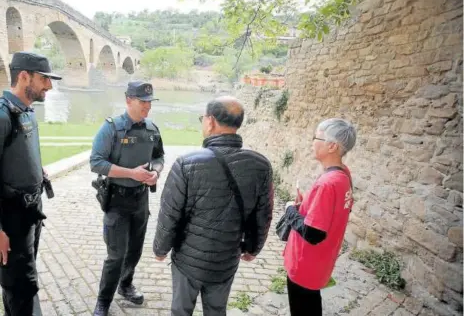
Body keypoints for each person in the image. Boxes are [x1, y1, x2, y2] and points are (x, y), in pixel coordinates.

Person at [153, 96, 274, 316]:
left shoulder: (186, 163)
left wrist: (161, 248)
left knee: (181, 310)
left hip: (187, 259)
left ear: (210, 122)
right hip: (226, 259)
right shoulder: (261, 165)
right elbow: (263, 214)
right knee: (217, 310)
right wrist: (253, 248)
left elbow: (170, 213)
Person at [0, 51, 62, 315]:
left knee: (24, 280)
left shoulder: (26, 112)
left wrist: (34, 170)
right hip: (10, 220)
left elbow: (17, 155)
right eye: (44, 79)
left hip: (30, 213)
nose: (49, 85)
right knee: (19, 286)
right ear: (24, 77)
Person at [89, 81, 165, 316]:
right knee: (116, 255)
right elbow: (96, 162)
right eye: (142, 102)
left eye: (149, 102)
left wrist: (155, 173)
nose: (147, 107)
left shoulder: (152, 129)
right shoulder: (111, 128)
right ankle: (103, 300)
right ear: (128, 100)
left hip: (140, 200)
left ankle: (125, 284)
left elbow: (160, 157)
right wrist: (132, 173)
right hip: (117, 200)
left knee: (135, 250)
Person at [283, 118, 357, 316]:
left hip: (306, 261)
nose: (312, 142)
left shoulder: (327, 183)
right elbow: (336, 211)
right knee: (311, 304)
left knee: (302, 307)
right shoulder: (343, 174)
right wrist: (307, 204)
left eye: (316, 137)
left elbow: (314, 234)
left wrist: (290, 209)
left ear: (331, 146)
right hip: (322, 261)